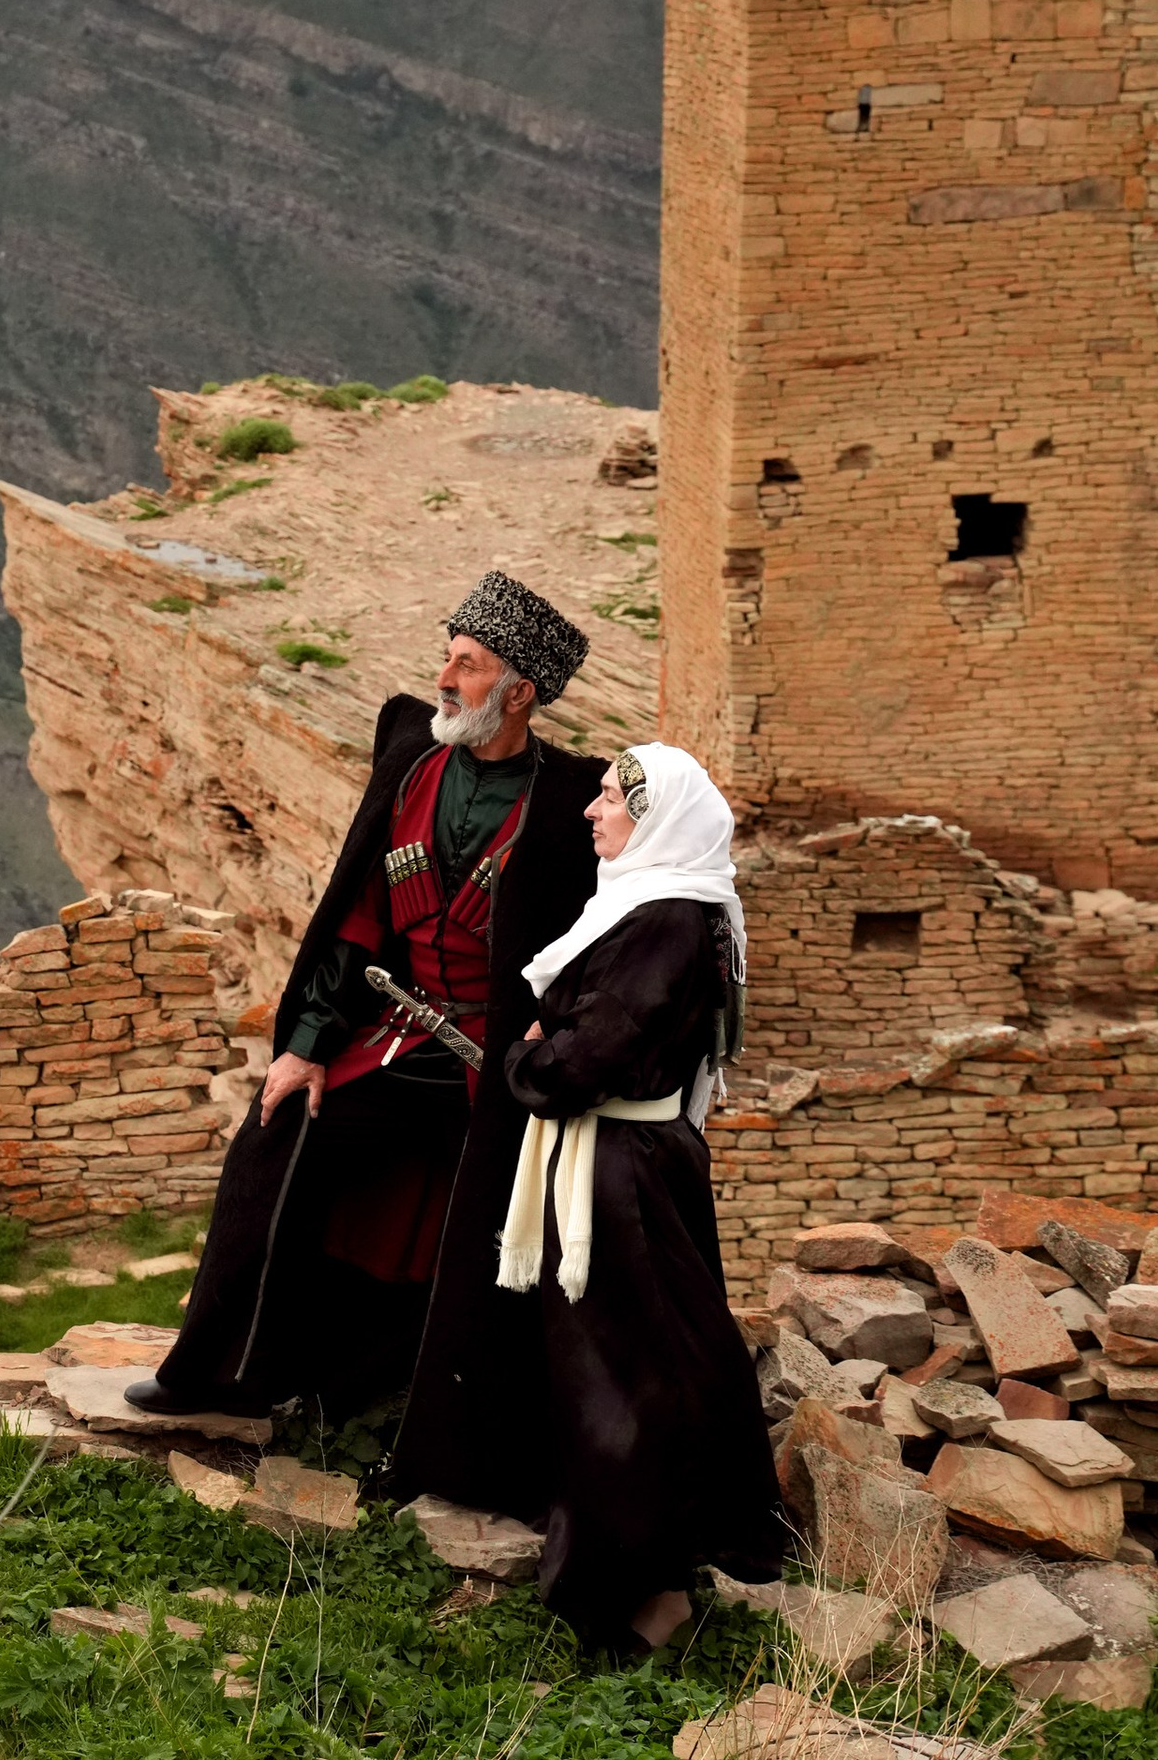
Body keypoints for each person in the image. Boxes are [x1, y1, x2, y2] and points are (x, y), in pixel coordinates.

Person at [129, 571, 604, 1431]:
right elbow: (357, 917)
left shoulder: (572, 802)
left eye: (466, 665)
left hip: (491, 1069)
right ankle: (223, 1373)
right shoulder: (413, 761)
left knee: (493, 1228)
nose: (445, 679)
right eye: (447, 659)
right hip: (390, 1034)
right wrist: (308, 1042)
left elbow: (595, 942)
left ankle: (434, 1413)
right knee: (278, 1140)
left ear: (520, 691)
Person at [387, 738, 788, 1652]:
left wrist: (529, 1054)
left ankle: (630, 1590)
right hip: (626, 1162)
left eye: (610, 798)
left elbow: (592, 1057)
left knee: (624, 1375)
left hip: (620, 1175)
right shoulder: (654, 905)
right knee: (648, 1357)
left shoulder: (665, 920)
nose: (590, 810)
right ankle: (649, 1567)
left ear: (655, 818)